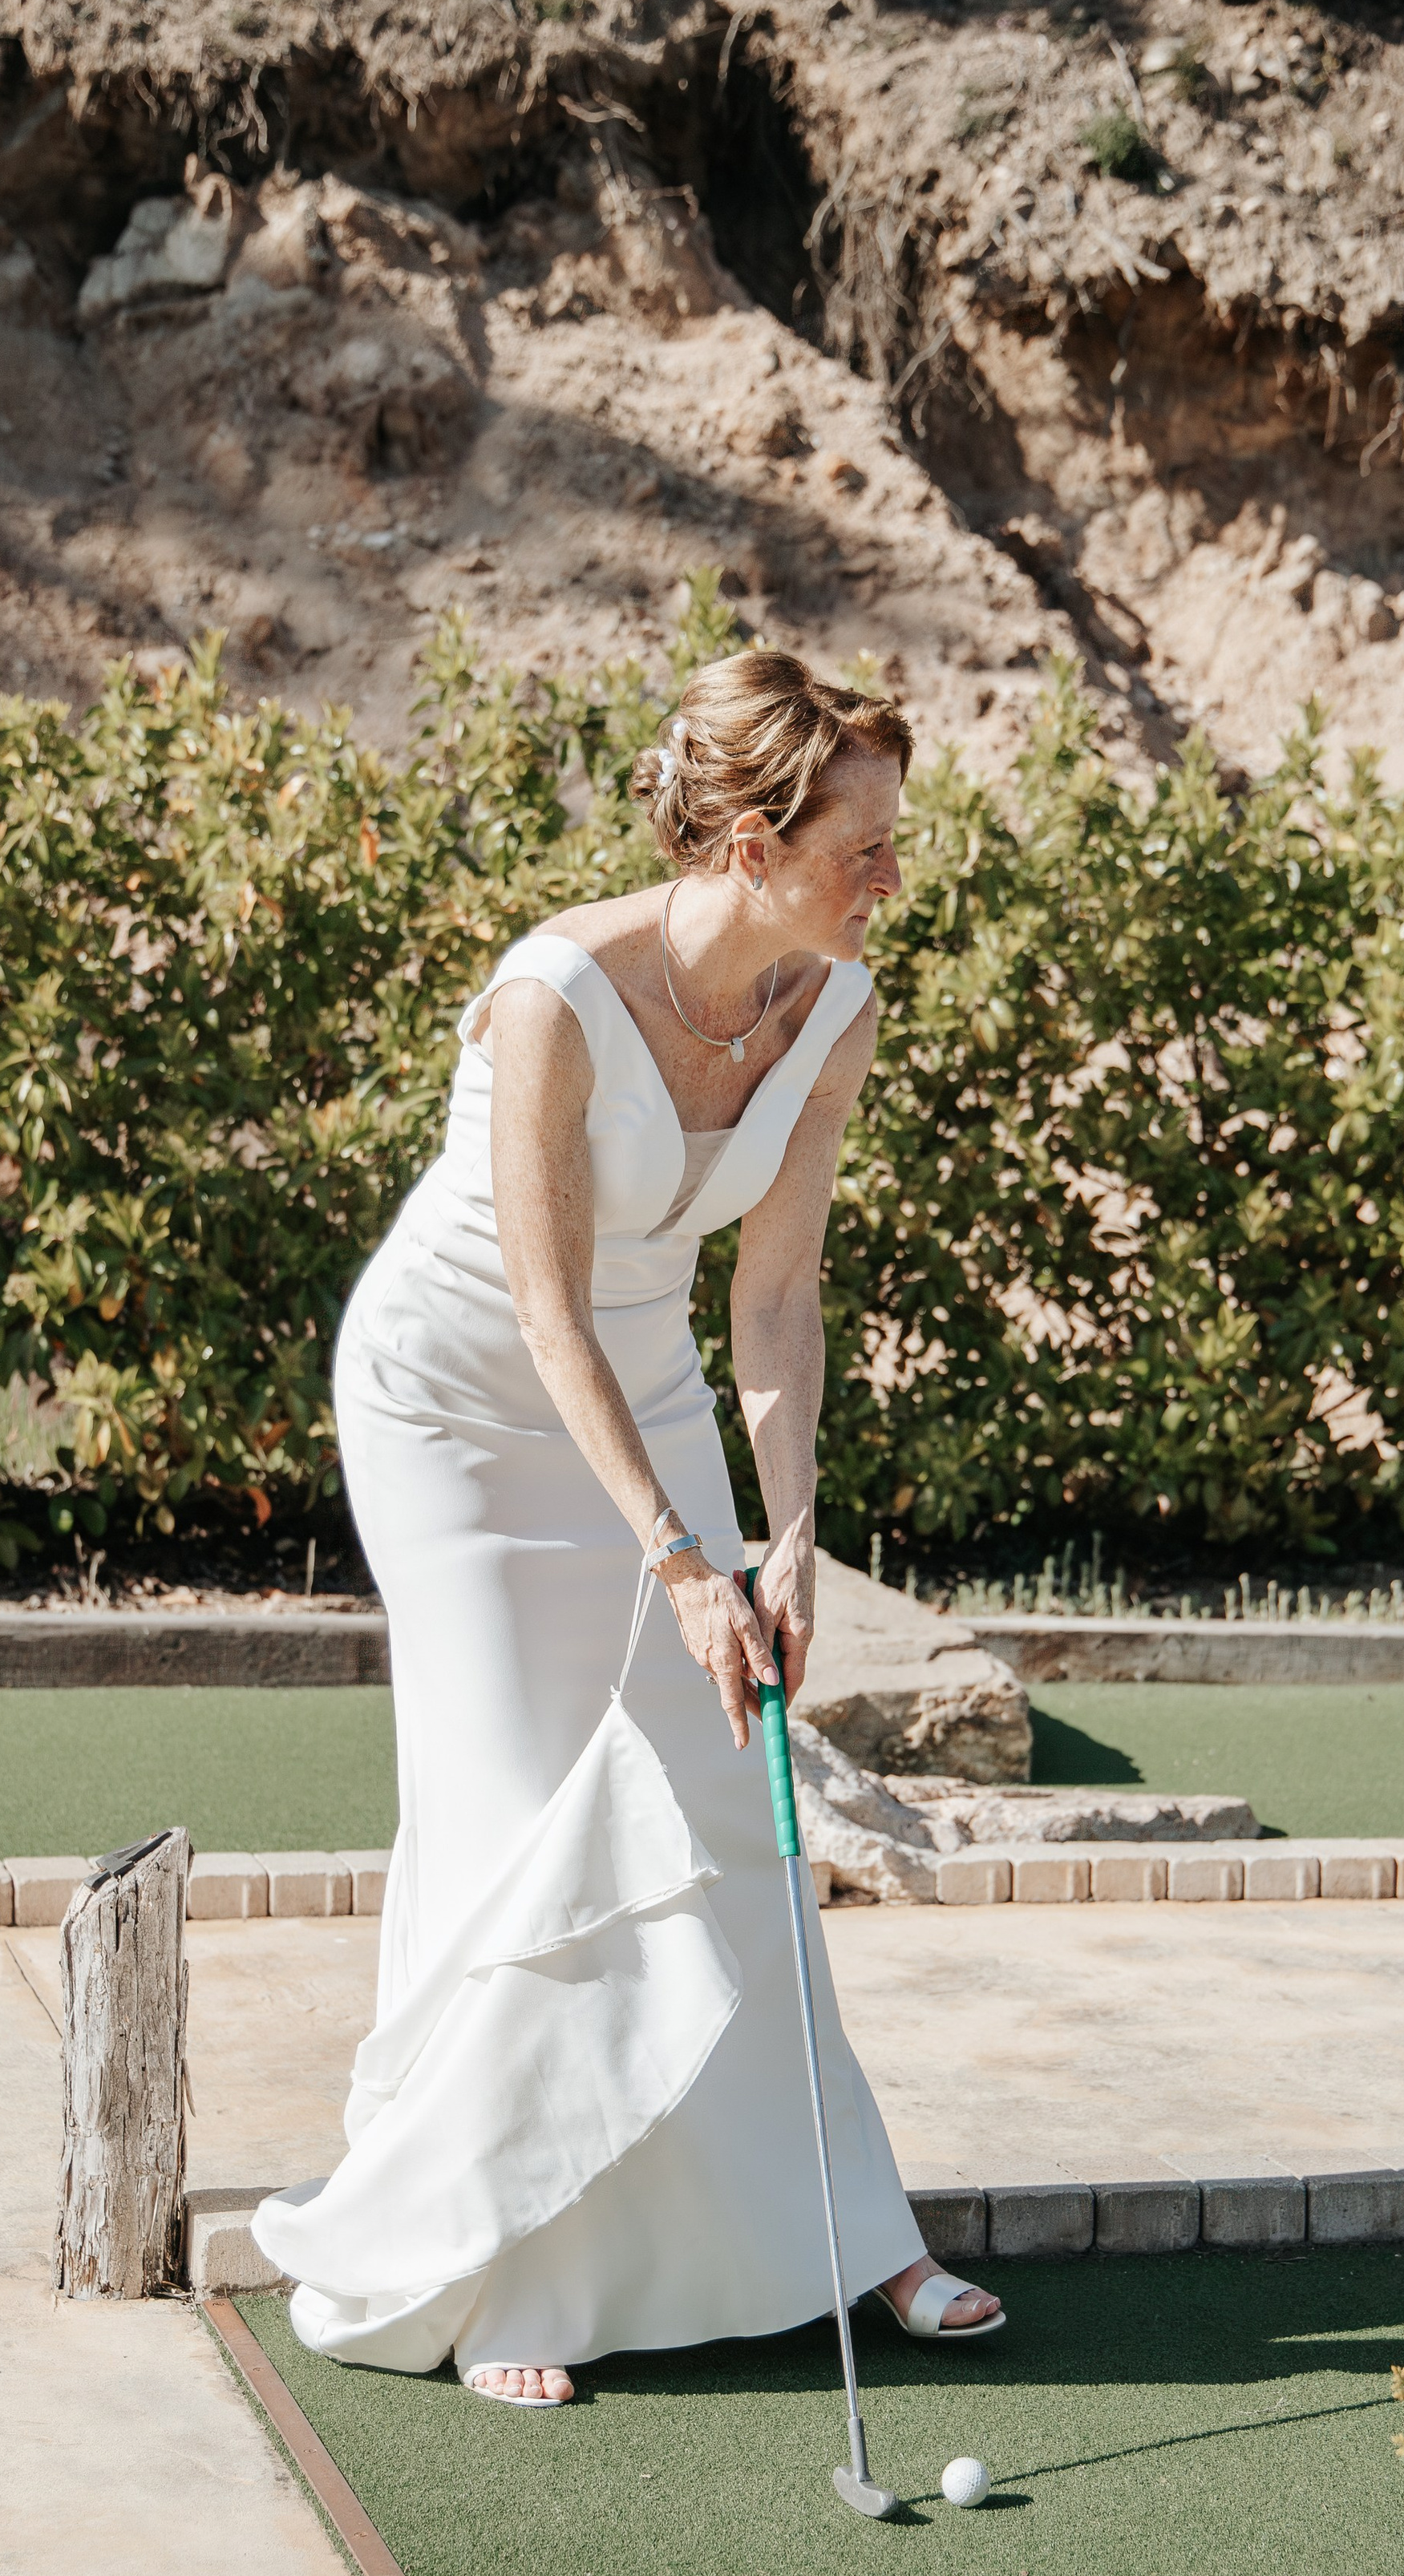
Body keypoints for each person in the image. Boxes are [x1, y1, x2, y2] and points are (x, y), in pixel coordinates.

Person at [252, 648, 1003, 2404]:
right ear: (750, 844)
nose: (891, 878)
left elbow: (776, 1295)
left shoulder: (837, 1004)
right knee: (526, 1804)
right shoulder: (554, 998)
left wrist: (786, 1532)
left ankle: (848, 2227)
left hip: (647, 1377)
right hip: (459, 1402)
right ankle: (508, 2265)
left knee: (726, 1789)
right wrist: (677, 1558)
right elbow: (543, 1309)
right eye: (862, 848)